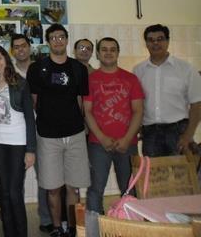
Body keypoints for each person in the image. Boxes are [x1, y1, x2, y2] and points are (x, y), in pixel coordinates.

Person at [27, 24, 90, 237]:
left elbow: (82, 102)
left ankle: (73, 228)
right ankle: (57, 228)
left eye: (61, 37)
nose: (58, 41)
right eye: (53, 37)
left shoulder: (78, 69)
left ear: (66, 39)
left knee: (73, 187)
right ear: (48, 41)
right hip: (47, 136)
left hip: (75, 134)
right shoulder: (37, 68)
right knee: (52, 188)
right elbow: (34, 101)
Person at [83, 37, 144, 214]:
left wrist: (126, 140)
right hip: (98, 144)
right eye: (104, 49)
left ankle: (132, 226)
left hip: (128, 144)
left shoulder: (131, 79)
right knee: (95, 189)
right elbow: (87, 111)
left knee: (131, 189)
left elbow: (138, 111)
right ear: (98, 54)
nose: (108, 52)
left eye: (112, 49)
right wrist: (101, 138)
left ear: (118, 52)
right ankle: (95, 228)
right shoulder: (90, 79)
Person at [0, 45, 36, 237]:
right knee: (3, 192)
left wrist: (31, 150)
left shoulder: (20, 83)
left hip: (18, 142)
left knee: (14, 192)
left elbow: (30, 117)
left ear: (6, 58)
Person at [133, 24, 201, 157]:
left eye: (160, 39)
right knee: (153, 175)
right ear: (146, 43)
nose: (156, 43)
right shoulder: (138, 71)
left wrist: (188, 135)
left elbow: (197, 104)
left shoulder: (186, 69)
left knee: (180, 176)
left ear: (168, 41)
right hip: (150, 133)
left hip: (179, 132)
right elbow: (137, 104)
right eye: (151, 40)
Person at [11, 34, 54, 233]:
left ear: (30, 47)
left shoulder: (42, 69)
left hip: (42, 130)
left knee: (44, 177)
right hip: (17, 133)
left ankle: (46, 218)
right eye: (16, 47)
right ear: (12, 51)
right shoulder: (8, 72)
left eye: (23, 46)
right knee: (15, 179)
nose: (20, 50)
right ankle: (12, 216)